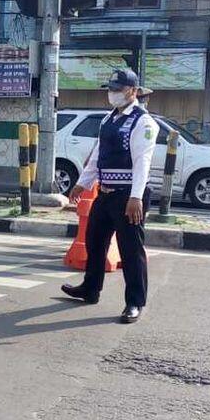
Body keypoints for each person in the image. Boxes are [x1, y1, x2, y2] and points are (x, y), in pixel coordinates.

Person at [60, 69, 159, 324]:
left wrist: (135, 198)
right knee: (94, 241)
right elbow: (97, 156)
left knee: (130, 250)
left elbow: (142, 162)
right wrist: (82, 183)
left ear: (132, 91)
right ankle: (90, 289)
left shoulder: (143, 122)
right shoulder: (108, 119)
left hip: (128, 196)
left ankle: (135, 302)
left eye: (118, 89)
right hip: (104, 193)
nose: (112, 94)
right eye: (111, 89)